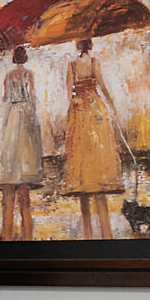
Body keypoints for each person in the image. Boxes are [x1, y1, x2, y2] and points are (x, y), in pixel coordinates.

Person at [61, 36, 132, 237]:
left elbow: (69, 92)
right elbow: (102, 86)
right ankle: (106, 233)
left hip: (80, 111)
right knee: (99, 157)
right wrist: (113, 105)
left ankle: (88, 235)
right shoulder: (94, 63)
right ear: (90, 46)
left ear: (77, 46)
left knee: (82, 163)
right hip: (95, 109)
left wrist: (72, 107)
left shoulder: (72, 65)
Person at [0, 45, 44, 240]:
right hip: (25, 114)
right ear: (25, 58)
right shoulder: (29, 74)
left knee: (9, 150)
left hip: (11, 115)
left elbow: (5, 97)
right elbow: (32, 96)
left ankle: (7, 236)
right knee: (25, 152)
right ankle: (28, 237)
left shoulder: (9, 75)